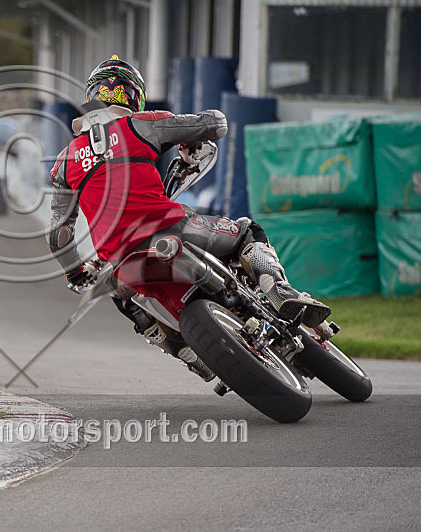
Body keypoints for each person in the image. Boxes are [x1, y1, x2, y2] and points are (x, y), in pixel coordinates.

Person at [46, 55, 330, 379]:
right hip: (170, 226)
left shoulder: (65, 160)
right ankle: (279, 289)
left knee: (117, 291)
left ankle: (188, 354)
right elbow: (216, 123)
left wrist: (75, 272)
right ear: (133, 95)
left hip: (123, 262)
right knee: (246, 231)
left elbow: (59, 234)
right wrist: (193, 135)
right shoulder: (140, 124)